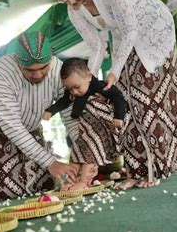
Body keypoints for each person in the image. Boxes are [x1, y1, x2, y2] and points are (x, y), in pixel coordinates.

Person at [42, 0, 177, 189]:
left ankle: (155, 170)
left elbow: (130, 30)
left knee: (147, 101)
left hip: (153, 32)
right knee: (124, 104)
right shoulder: (73, 9)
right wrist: (90, 80)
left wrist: (114, 71)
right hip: (125, 40)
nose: (70, 2)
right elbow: (96, 45)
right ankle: (136, 172)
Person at [0, 31, 79, 200]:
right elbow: (12, 127)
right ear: (17, 61)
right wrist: (51, 163)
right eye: (29, 70)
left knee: (43, 185)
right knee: (8, 191)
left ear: (50, 59)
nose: (37, 75)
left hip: (31, 126)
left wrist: (80, 154)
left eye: (43, 68)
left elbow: (69, 115)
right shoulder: (0, 73)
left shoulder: (59, 69)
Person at [42, 58, 128, 190]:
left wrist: (119, 116)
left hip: (102, 128)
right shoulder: (72, 93)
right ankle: (68, 181)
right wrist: (50, 111)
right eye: (69, 89)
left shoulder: (100, 87)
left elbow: (118, 97)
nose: (74, 92)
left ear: (88, 77)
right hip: (85, 129)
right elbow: (63, 101)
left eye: (76, 87)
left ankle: (83, 182)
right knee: (76, 155)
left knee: (89, 154)